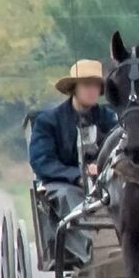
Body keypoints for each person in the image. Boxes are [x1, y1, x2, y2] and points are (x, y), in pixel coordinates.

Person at [29, 59, 118, 265]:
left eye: (96, 86)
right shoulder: (48, 121)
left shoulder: (110, 120)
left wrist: (102, 168)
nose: (92, 90)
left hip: (105, 181)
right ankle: (94, 254)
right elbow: (41, 160)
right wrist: (77, 176)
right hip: (64, 183)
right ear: (74, 88)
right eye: (87, 85)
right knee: (68, 196)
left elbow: (120, 148)